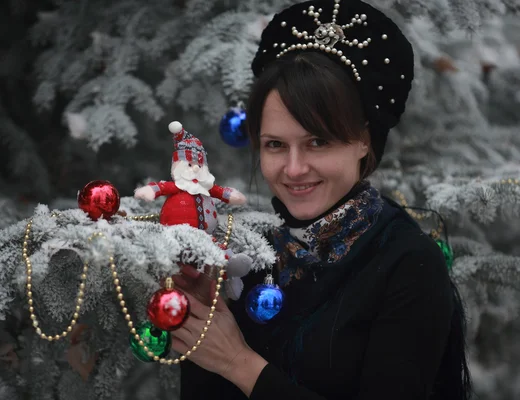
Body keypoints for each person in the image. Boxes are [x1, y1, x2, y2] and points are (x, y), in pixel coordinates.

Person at [170, 0, 473, 399]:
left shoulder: (408, 265)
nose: (294, 169)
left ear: (364, 139)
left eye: (318, 141)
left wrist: (238, 364)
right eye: (275, 144)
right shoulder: (244, 253)